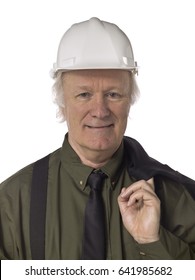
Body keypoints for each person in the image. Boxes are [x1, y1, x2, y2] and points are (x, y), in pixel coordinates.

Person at [0, 17, 195, 260]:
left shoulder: (179, 198)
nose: (100, 111)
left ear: (130, 102)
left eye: (113, 94)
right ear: (62, 104)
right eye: (83, 94)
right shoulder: (12, 202)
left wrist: (153, 242)